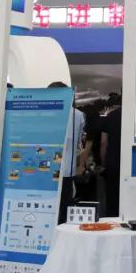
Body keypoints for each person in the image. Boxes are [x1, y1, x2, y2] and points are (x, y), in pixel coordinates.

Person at [48, 82, 84, 224]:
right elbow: (79, 143)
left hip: (46, 169)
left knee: (48, 207)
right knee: (64, 208)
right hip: (67, 169)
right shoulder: (78, 115)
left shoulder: (44, 111)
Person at [99, 92, 122, 217]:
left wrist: (103, 163)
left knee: (112, 198)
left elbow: (104, 142)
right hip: (132, 162)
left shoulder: (110, 116)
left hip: (113, 162)